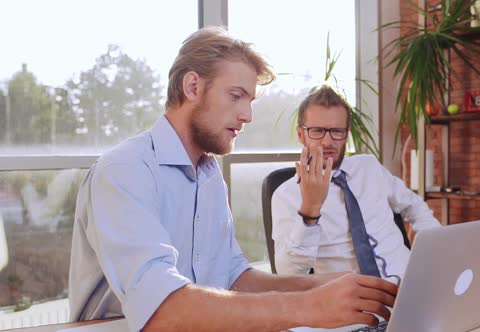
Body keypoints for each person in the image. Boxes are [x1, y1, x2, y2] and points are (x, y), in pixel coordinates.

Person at [68, 27, 397, 332]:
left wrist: (331, 285)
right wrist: (309, 305)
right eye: (236, 96)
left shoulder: (209, 176)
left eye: (250, 101)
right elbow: (161, 309)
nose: (247, 115)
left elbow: (235, 277)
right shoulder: (125, 170)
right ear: (193, 86)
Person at [272, 85, 441, 281]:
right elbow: (287, 273)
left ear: (346, 134)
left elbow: (414, 205)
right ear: (301, 135)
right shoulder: (286, 195)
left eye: (337, 131)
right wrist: (310, 211)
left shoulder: (369, 167)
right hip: (353, 301)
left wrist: (432, 252)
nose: (327, 142)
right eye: (317, 131)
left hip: (409, 283)